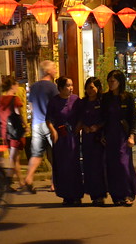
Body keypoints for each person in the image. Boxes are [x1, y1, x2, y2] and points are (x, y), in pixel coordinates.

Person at [101, 70, 136, 206]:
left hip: (122, 135)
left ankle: (129, 193)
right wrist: (101, 135)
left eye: (113, 81)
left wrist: (132, 135)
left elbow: (133, 118)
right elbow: (102, 118)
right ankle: (116, 195)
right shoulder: (105, 98)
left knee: (123, 164)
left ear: (120, 82)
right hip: (109, 135)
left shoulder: (127, 97)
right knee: (112, 166)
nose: (110, 84)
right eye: (109, 81)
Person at [46, 76, 83, 205]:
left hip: (72, 137)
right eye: (68, 86)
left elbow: (81, 116)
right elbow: (48, 119)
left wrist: (78, 127)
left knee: (74, 165)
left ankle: (77, 195)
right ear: (60, 88)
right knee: (62, 166)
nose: (71, 88)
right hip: (60, 139)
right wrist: (53, 130)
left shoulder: (76, 100)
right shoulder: (54, 102)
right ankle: (66, 195)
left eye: (71, 85)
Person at [23, 60, 59, 193]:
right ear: (48, 71)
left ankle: (29, 177)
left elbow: (31, 106)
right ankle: (54, 184)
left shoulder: (34, 87)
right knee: (55, 154)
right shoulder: (52, 87)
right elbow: (56, 105)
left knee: (37, 154)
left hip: (37, 124)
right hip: (50, 124)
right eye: (54, 68)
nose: (55, 70)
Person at [77, 77, 106, 206]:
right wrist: (83, 127)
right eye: (88, 88)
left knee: (99, 166)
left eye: (92, 87)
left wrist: (97, 127)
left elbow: (106, 118)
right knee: (88, 166)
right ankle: (93, 194)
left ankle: (101, 194)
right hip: (87, 138)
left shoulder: (103, 102)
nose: (90, 90)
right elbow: (80, 118)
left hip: (99, 139)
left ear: (98, 88)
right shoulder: (83, 103)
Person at [0, 76, 28, 190]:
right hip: (14, 132)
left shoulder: (0, 99)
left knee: (15, 158)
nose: (17, 87)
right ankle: (9, 181)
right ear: (12, 86)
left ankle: (20, 182)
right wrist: (25, 126)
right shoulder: (15, 100)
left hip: (5, 131)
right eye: (16, 85)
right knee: (14, 158)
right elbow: (19, 115)